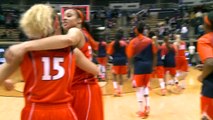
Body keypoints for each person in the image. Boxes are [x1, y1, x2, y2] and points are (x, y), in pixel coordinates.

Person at [0, 4, 99, 120]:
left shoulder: (23, 53)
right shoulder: (72, 51)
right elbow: (95, 70)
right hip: (65, 111)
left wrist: (5, 81)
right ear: (56, 23)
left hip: (35, 111)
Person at [127, 21, 157, 119]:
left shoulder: (133, 42)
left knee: (139, 89)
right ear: (143, 30)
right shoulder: (149, 41)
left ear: (136, 30)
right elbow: (155, 53)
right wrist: (153, 66)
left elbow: (130, 57)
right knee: (145, 87)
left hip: (139, 68)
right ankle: (147, 106)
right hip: (148, 67)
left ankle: (141, 110)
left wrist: (130, 71)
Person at [197, 11, 213, 120]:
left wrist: (202, 76)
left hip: (211, 89)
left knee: (206, 117)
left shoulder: (205, 40)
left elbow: (210, 63)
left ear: (207, 24)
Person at [107, 30, 128, 96]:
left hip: (115, 60)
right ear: (122, 37)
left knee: (114, 75)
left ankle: (115, 90)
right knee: (121, 76)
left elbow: (109, 53)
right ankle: (120, 92)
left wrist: (109, 60)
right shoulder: (125, 43)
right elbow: (127, 53)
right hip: (123, 61)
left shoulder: (112, 43)